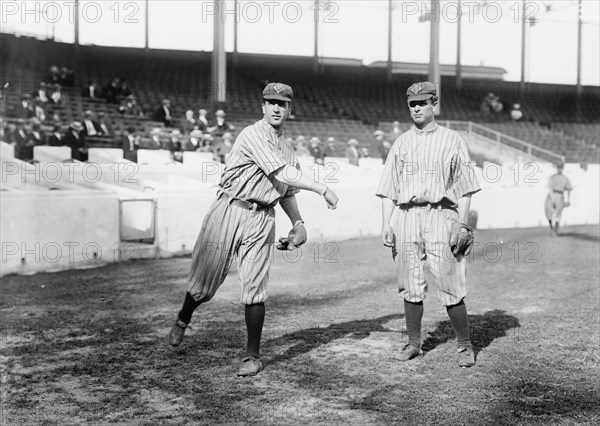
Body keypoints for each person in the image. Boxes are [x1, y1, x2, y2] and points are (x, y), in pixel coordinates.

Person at [167, 82, 339, 377]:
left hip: (262, 218)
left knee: (255, 287)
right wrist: (322, 188)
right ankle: (183, 318)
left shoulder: (287, 148)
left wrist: (298, 223)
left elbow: (285, 191)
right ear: (262, 106)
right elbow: (281, 172)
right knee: (204, 283)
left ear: (289, 110)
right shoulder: (252, 134)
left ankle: (251, 356)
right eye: (270, 102)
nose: (275, 108)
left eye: (281, 104)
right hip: (229, 208)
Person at [376, 81, 481, 368]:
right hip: (407, 216)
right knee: (409, 283)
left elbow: (467, 188)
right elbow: (388, 189)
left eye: (423, 103)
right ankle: (413, 344)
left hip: (441, 214)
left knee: (450, 281)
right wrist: (386, 222)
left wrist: (462, 223)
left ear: (434, 104)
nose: (418, 108)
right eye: (412, 104)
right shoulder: (401, 142)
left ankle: (464, 346)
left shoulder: (452, 139)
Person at [544, 163, 572, 236]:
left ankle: (555, 231)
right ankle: (551, 227)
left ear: (562, 168)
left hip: (560, 195)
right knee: (548, 212)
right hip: (551, 195)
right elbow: (550, 188)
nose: (560, 169)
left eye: (561, 168)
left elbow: (569, 189)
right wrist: (552, 198)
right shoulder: (552, 177)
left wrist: (568, 200)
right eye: (559, 168)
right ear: (557, 168)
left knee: (558, 214)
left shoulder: (565, 178)